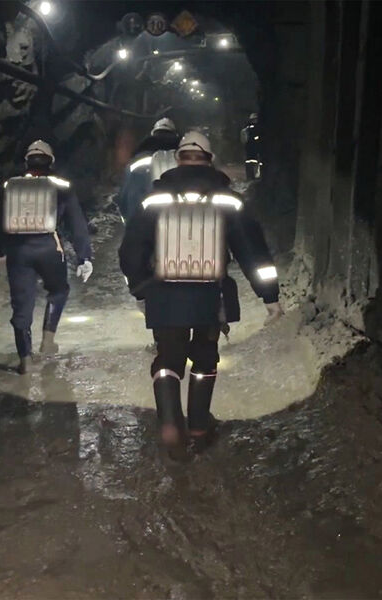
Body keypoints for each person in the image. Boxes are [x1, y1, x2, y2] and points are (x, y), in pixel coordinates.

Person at [119, 131, 283, 458]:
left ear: (178, 159)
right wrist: (270, 297)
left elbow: (130, 251)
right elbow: (252, 251)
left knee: (168, 358)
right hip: (210, 295)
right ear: (210, 160)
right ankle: (197, 425)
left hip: (165, 295)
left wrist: (140, 288)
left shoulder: (154, 200)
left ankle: (170, 422)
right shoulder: (228, 200)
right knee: (205, 357)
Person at [0, 140, 93, 374]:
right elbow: (76, 223)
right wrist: (84, 256)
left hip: (18, 250)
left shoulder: (10, 186)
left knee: (21, 304)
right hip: (49, 247)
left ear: (26, 162)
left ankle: (25, 357)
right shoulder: (61, 186)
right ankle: (48, 340)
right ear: (51, 162)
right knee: (59, 290)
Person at [117, 118, 181, 223]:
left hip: (143, 224)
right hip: (178, 224)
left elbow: (125, 198)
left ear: (152, 134)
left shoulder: (136, 161)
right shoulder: (184, 160)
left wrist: (130, 226)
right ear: (175, 135)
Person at [240, 112, 261, 180]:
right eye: (255, 119)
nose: (255, 121)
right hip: (254, 148)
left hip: (250, 149)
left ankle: (251, 177)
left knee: (251, 163)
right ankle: (254, 177)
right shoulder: (255, 128)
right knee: (255, 163)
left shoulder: (247, 128)